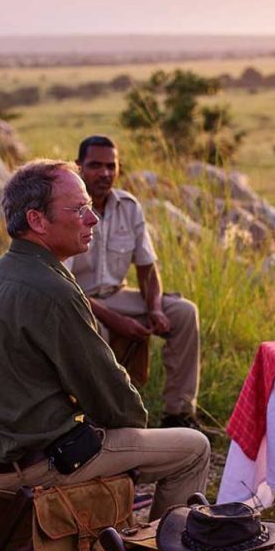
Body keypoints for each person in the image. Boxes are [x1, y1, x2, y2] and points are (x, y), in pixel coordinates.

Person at [0, 159, 210, 523]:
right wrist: (134, 424)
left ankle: (127, 546)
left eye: (90, 207)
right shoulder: (53, 288)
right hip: (36, 465)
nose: (93, 219)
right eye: (79, 209)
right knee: (193, 448)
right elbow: (114, 402)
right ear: (37, 221)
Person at [67, 135, 201, 429]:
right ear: (78, 167)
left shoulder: (128, 206)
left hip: (117, 294)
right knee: (96, 328)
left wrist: (154, 307)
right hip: (78, 300)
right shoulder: (68, 209)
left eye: (110, 166)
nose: (104, 173)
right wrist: (116, 320)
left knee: (184, 312)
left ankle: (178, 413)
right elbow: (63, 283)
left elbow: (147, 267)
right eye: (95, 165)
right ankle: (103, 420)